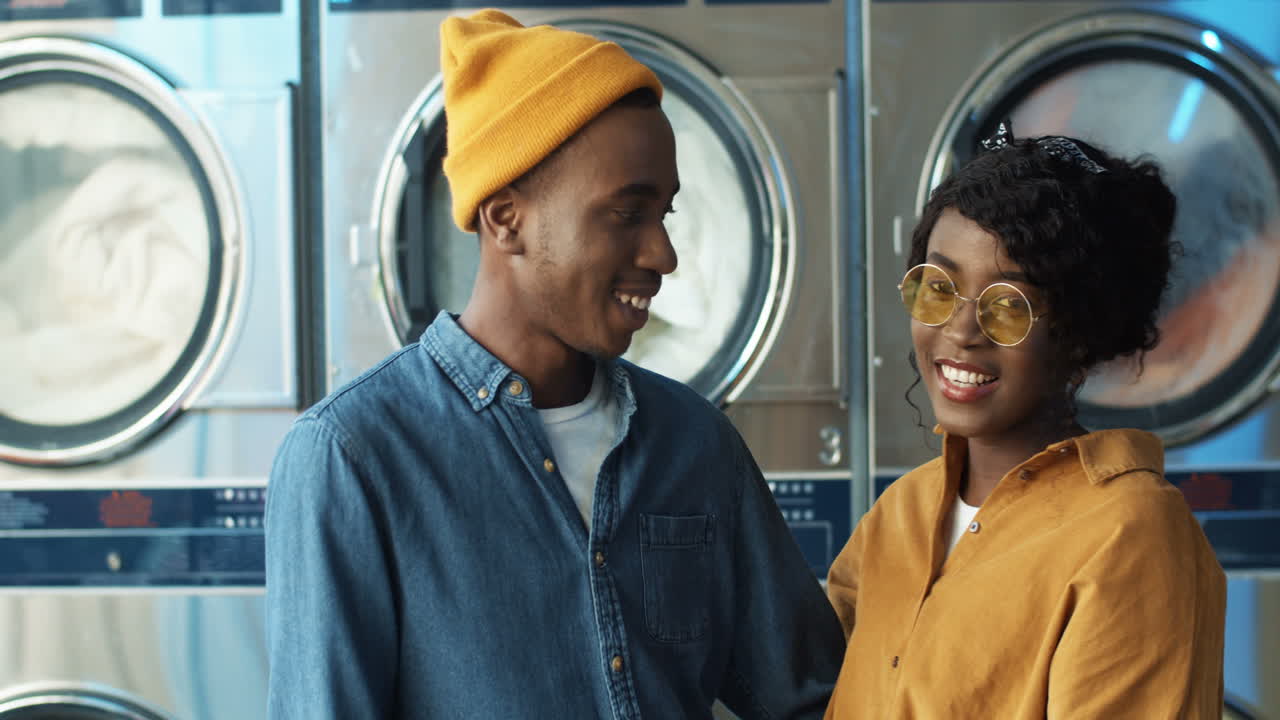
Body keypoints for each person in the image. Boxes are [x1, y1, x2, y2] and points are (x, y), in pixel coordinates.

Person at [265, 9, 843, 719]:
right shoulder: (353, 458)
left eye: (665, 214)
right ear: (505, 217)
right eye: (628, 214)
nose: (663, 254)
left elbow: (811, 701)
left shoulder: (694, 441)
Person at [824, 122, 1226, 718]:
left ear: (1080, 333)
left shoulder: (1131, 533)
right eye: (939, 285)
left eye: (1009, 305)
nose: (960, 331)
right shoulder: (901, 515)